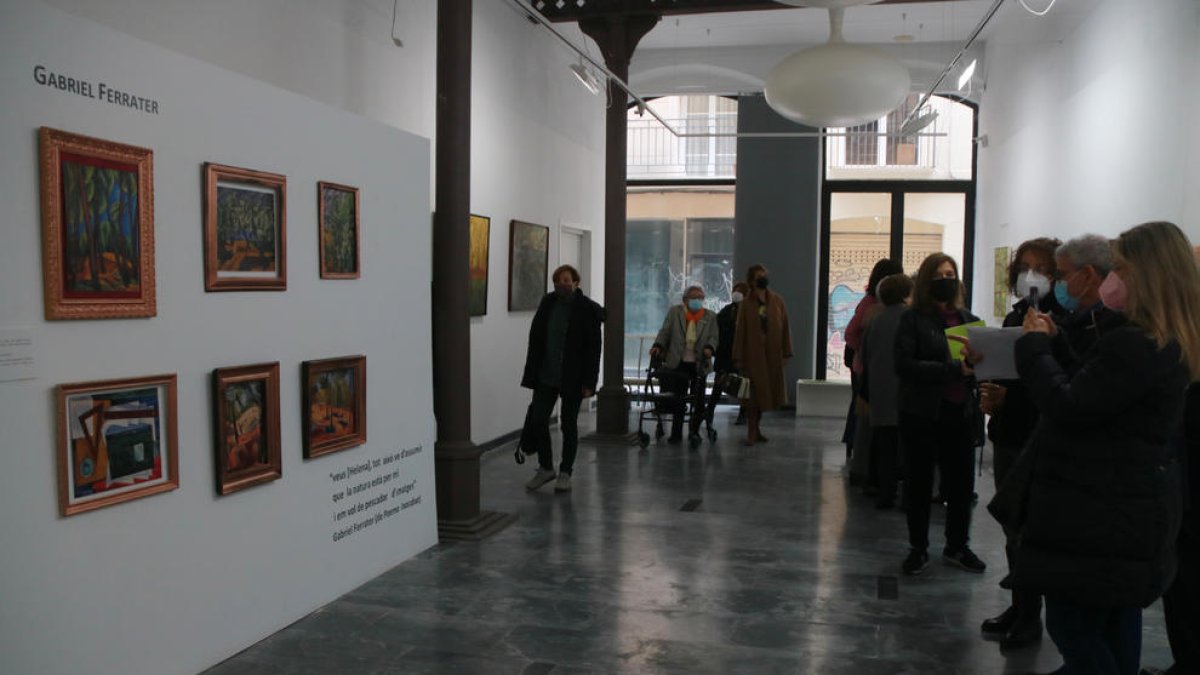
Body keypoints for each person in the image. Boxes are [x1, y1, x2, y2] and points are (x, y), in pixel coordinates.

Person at [1011, 221, 1200, 675]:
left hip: (1105, 509)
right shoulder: (1159, 340)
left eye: (1123, 268)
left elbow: (1070, 405)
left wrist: (1035, 349)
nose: (1114, 279)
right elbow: (1100, 393)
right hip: (1124, 506)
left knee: (1073, 626)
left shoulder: (1138, 344)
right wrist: (1059, 347)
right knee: (1106, 625)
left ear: (1146, 274)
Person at [977, 237, 1062, 650]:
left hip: (1043, 438)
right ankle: (1021, 606)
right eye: (1026, 267)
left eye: (1043, 268)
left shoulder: (1064, 321)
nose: (1033, 276)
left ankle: (1032, 619)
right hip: (1011, 434)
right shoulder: (1015, 316)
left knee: (1034, 533)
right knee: (1012, 529)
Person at [895, 253, 986, 576]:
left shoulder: (967, 319)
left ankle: (957, 546)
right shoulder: (912, 320)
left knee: (961, 486)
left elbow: (976, 368)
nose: (946, 279)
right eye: (939, 275)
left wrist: (979, 366)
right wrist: (952, 369)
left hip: (960, 412)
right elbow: (905, 365)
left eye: (951, 273)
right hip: (921, 412)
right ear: (926, 281)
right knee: (919, 484)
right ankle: (918, 548)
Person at [520, 264, 603, 493]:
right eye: (558, 280)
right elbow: (536, 340)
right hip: (546, 375)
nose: (562, 284)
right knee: (538, 420)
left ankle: (566, 471)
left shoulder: (587, 309)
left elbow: (594, 349)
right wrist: (532, 372)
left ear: (576, 283)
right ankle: (546, 468)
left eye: (567, 280)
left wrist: (590, 382)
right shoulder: (548, 304)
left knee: (568, 425)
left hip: (573, 379)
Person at [846, 258, 906, 488]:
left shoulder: (870, 304)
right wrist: (866, 350)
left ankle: (868, 472)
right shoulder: (872, 306)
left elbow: (851, 334)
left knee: (869, 423)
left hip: (867, 369)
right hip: (870, 371)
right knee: (872, 423)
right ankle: (871, 472)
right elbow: (851, 334)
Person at [859, 273, 914, 510]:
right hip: (906, 392)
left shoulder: (875, 320)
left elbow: (866, 354)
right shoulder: (912, 318)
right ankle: (909, 497)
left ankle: (885, 492)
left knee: (885, 447)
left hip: (880, 392)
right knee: (910, 449)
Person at [732, 264, 793, 445]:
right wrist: (739, 357)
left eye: (764, 275)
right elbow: (740, 331)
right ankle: (752, 430)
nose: (763, 278)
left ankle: (757, 429)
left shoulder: (777, 301)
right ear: (752, 280)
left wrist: (786, 351)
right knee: (753, 396)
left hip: (772, 356)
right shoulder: (746, 304)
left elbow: (785, 327)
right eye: (759, 276)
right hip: (753, 357)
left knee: (766, 396)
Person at [650, 285, 718, 444]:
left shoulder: (710, 316)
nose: (697, 301)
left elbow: (714, 337)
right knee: (678, 399)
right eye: (694, 297)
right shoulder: (675, 312)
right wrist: (658, 346)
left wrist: (710, 348)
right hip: (678, 363)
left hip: (699, 364)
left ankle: (694, 431)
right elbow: (665, 331)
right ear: (685, 299)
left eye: (700, 298)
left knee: (698, 400)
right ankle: (676, 434)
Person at [711, 282, 748, 426]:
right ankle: (710, 411)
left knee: (743, 386)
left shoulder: (749, 312)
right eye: (735, 291)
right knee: (718, 384)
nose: (736, 294)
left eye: (739, 291)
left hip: (740, 354)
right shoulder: (727, 310)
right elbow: (717, 327)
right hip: (724, 354)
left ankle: (743, 413)